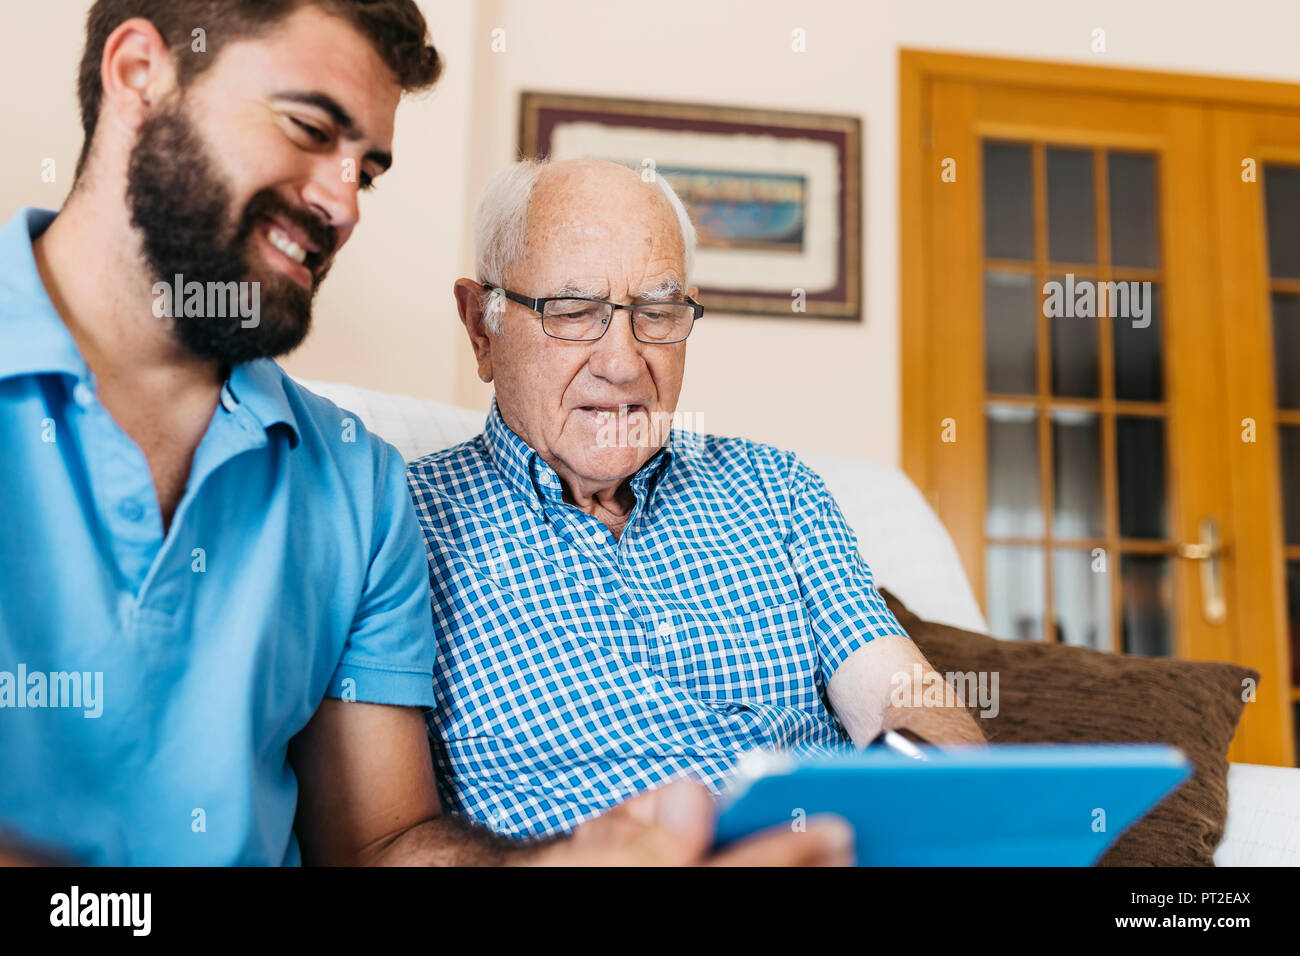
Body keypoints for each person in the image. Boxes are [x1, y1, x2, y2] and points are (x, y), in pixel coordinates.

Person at [0, 0, 845, 867]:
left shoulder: (354, 481)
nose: (342, 205)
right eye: (307, 128)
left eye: (364, 171)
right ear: (139, 74)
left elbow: (381, 842)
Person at [406, 157, 987, 841]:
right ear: (482, 327)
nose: (622, 363)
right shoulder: (400, 526)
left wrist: (933, 809)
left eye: (656, 313)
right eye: (573, 311)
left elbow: (904, 700)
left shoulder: (777, 491)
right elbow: (384, 838)